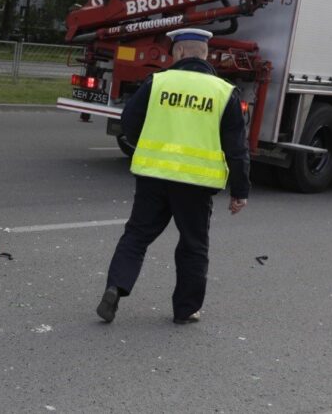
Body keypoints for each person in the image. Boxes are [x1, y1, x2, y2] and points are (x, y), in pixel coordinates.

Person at [97, 27, 250, 325]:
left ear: (178, 53)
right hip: (196, 184)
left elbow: (128, 121)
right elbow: (237, 149)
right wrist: (240, 191)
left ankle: (116, 287)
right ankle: (186, 309)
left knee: (137, 235)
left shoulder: (157, 82)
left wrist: (148, 142)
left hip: (153, 176)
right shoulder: (224, 92)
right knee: (193, 245)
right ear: (205, 54)